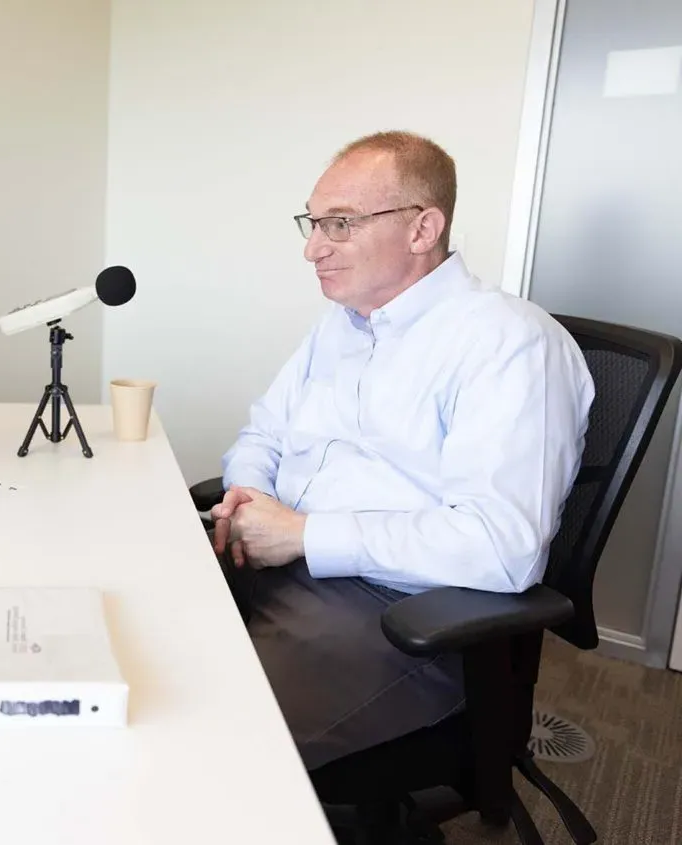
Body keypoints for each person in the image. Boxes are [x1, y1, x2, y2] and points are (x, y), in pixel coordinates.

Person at [210, 131, 594, 770]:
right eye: (312, 222)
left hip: (399, 611)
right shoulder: (343, 322)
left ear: (423, 229)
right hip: (273, 558)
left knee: (207, 745)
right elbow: (263, 435)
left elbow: (502, 548)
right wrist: (251, 495)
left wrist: (306, 536)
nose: (312, 248)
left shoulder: (510, 344)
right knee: (131, 649)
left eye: (339, 224)